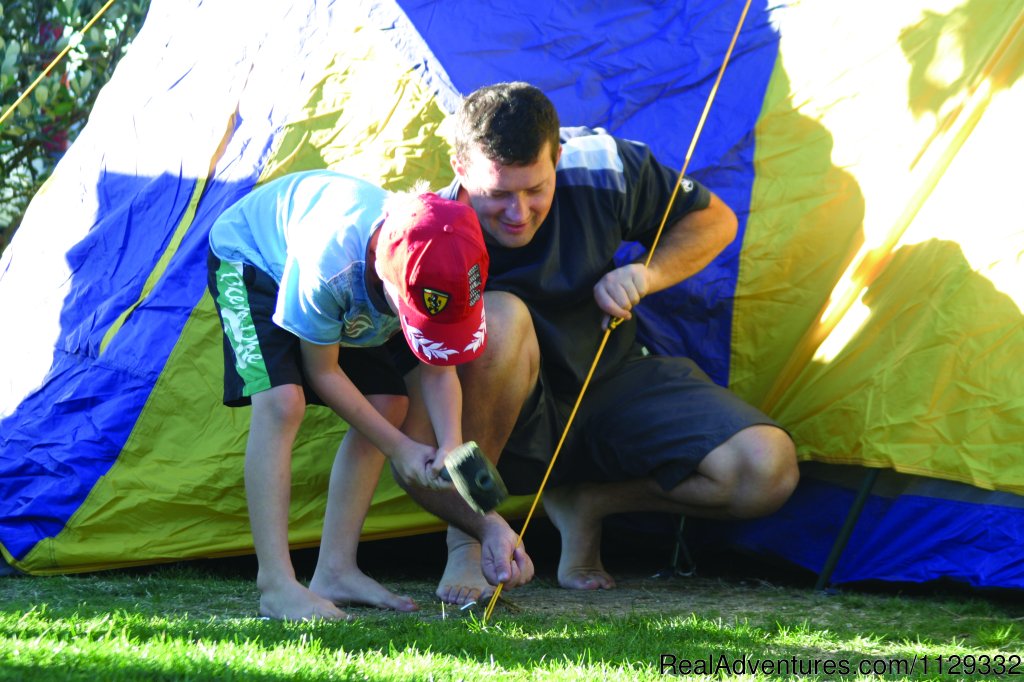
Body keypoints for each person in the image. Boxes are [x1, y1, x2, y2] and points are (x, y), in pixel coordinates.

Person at [397, 82, 800, 606]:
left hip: (611, 380)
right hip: (510, 413)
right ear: (460, 166)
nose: (518, 212)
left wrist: (647, 274)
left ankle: (587, 504)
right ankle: (469, 539)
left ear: (558, 157)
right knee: (500, 319)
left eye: (536, 189)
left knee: (766, 468)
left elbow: (714, 220)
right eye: (498, 194)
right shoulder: (428, 227)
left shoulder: (604, 164)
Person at [206, 169, 531, 620]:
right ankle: (276, 584)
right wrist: (398, 448)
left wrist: (453, 447)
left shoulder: (444, 253)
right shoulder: (330, 262)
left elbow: (440, 367)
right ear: (385, 269)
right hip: (252, 261)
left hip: (343, 286)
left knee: (390, 403)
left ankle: (335, 569)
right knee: (282, 403)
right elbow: (323, 371)